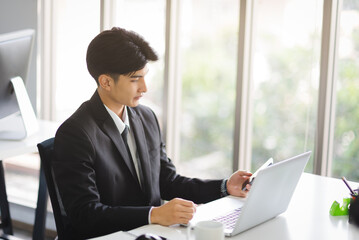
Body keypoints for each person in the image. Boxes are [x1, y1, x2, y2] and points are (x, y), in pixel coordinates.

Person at [53, 27, 252, 239]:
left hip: (151, 234)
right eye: (134, 79)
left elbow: (167, 181)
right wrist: (153, 215)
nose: (144, 87)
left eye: (145, 77)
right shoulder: (75, 134)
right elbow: (86, 214)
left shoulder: (146, 117)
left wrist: (223, 187)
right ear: (106, 82)